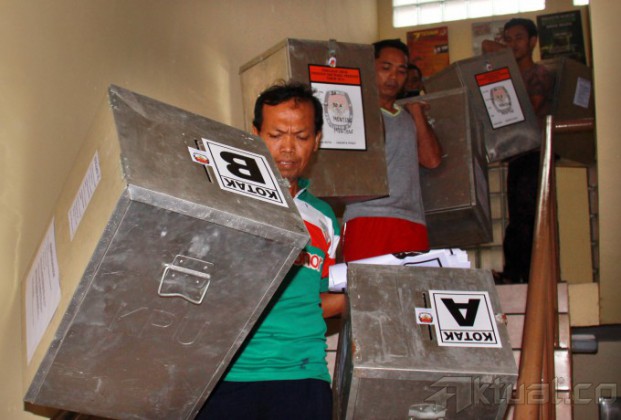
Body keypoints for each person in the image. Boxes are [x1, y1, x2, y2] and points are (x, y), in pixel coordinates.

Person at [197, 82, 342, 419]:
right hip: (225, 376)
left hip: (303, 376)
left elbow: (319, 299)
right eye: (276, 135)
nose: (288, 148)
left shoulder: (324, 217)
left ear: (317, 140)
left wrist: (369, 297)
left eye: (301, 136)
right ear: (255, 135)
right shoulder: (225, 202)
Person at [342, 39, 442, 263]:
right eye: (386, 68)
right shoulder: (353, 113)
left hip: (412, 221)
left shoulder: (408, 117)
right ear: (369, 68)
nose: (393, 77)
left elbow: (432, 160)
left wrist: (417, 113)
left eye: (401, 71)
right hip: (368, 218)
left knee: (411, 287)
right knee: (367, 286)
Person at [484, 18, 555, 284]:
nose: (513, 44)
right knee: (517, 215)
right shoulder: (507, 76)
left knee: (527, 216)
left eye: (519, 38)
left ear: (533, 41)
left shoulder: (539, 73)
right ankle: (516, 273)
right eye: (508, 39)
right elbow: (486, 46)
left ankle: (522, 275)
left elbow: (527, 110)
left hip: (535, 154)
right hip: (516, 154)